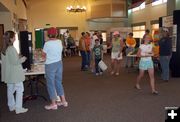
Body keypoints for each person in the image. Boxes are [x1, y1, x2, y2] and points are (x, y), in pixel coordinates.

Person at [1, 31, 28, 114]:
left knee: (10, 90)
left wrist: (17, 56)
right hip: (14, 74)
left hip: (9, 74)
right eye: (14, 37)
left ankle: (11, 106)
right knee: (20, 89)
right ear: (11, 38)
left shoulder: (4, 49)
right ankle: (18, 108)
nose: (15, 38)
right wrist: (23, 58)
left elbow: (9, 61)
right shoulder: (11, 48)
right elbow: (15, 62)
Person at [43, 27, 68, 110]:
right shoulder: (59, 41)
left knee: (51, 84)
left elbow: (43, 56)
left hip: (50, 65)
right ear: (56, 34)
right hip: (59, 64)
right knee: (58, 83)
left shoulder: (47, 43)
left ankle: (53, 104)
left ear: (48, 34)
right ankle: (63, 101)